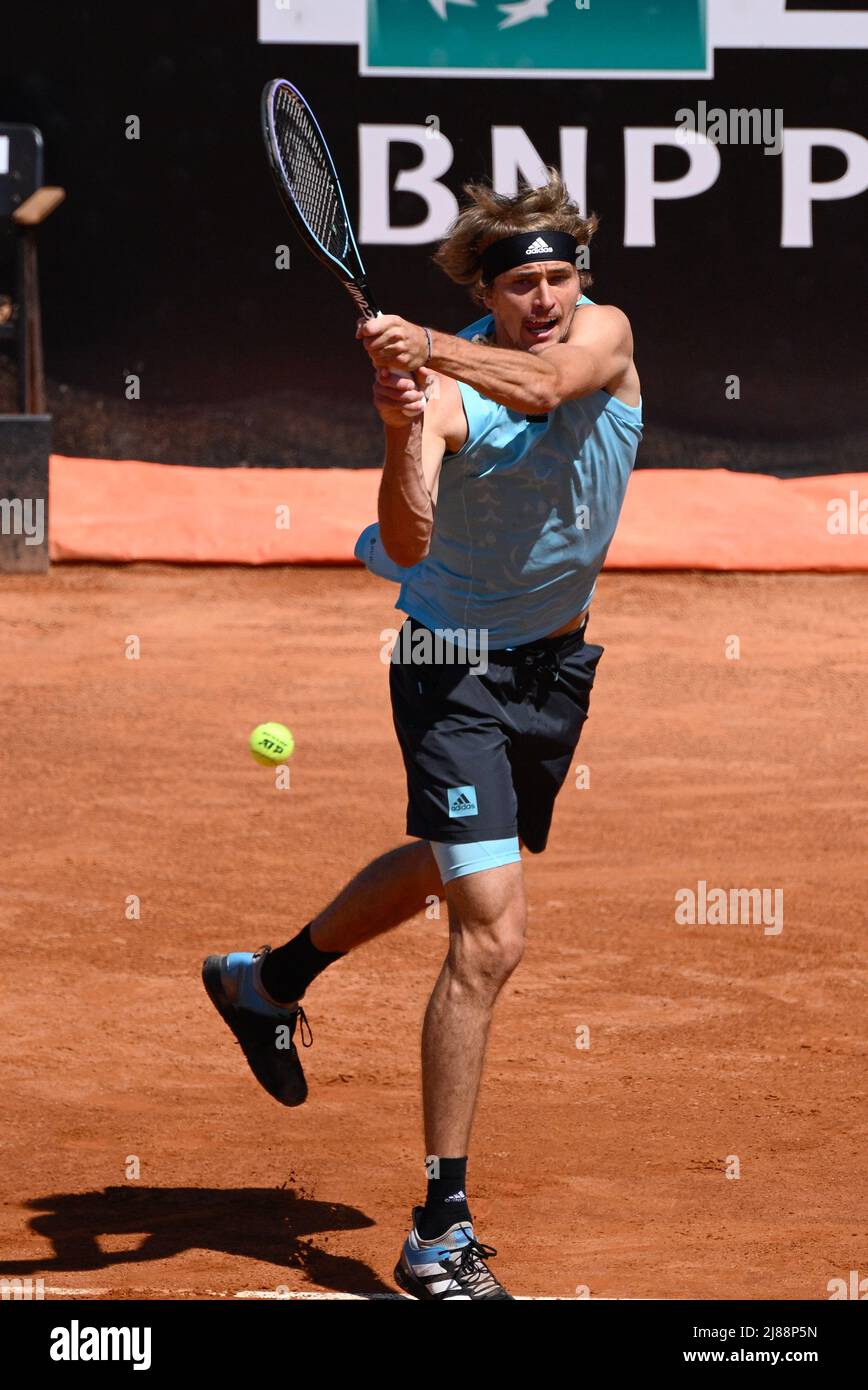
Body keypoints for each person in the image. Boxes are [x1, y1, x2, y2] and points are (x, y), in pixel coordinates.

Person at [203, 168, 642, 1300]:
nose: (544, 298)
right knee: (491, 934)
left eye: (558, 277)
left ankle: (267, 982)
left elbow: (550, 388)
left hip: (556, 657)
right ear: (486, 293)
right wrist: (404, 423)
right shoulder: (445, 387)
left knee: (457, 874)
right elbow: (406, 536)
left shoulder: (601, 334)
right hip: (450, 660)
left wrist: (429, 356)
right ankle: (439, 1226)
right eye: (520, 284)